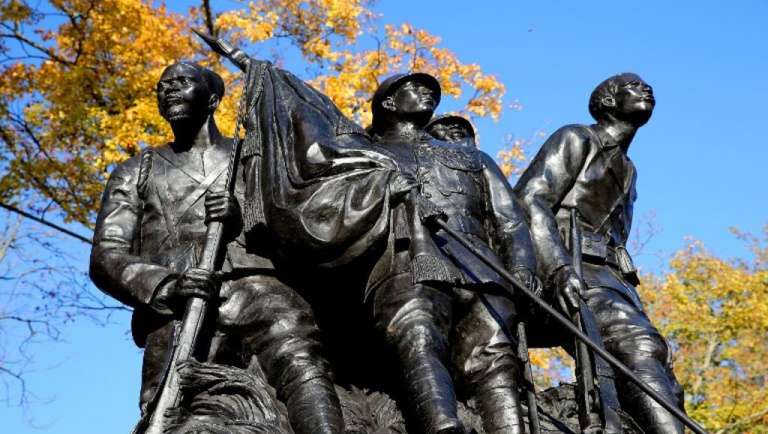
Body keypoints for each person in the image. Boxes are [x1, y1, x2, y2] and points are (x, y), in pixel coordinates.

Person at [89, 62, 344, 434]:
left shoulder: (254, 161)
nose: (169, 90)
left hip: (257, 289)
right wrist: (167, 286)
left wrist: (245, 217)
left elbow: (299, 224)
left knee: (300, 359)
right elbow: (106, 255)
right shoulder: (135, 171)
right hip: (178, 307)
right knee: (167, 411)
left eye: (182, 82)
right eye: (162, 86)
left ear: (212, 100)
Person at [514, 73, 686, 434]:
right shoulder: (577, 138)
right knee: (637, 345)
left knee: (663, 371)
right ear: (608, 101)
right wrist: (558, 267)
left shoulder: (629, 169)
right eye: (634, 86)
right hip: (570, 265)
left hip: (613, 279)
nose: (646, 89)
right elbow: (531, 199)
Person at [367, 72, 538, 434]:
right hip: (408, 260)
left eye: (430, 89)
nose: (427, 92)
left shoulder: (473, 158)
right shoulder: (364, 154)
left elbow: (510, 222)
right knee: (417, 336)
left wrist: (522, 269)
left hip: (481, 269)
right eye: (414, 88)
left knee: (497, 361)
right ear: (388, 103)